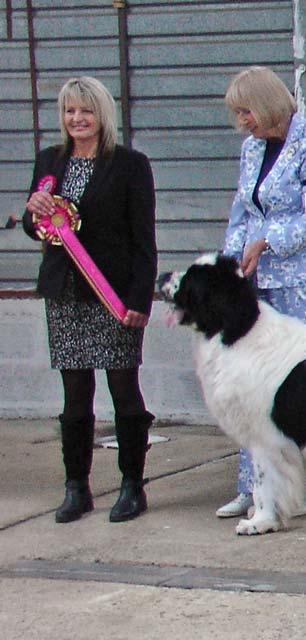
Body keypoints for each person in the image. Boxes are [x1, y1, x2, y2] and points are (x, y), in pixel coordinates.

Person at [214, 66, 306, 519]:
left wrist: (267, 241)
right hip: (256, 280)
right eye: (238, 114)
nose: (243, 121)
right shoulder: (251, 150)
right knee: (254, 383)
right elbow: (241, 210)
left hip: (305, 280)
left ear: (267, 103)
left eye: (246, 110)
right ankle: (255, 486)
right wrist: (230, 261)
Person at [22, 77, 157, 523]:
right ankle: (76, 487)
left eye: (86, 111)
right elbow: (35, 227)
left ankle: (132, 486)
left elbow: (144, 240)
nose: (76, 119)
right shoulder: (49, 161)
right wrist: (33, 211)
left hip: (113, 294)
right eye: (68, 111)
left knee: (124, 390)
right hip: (64, 293)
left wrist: (140, 298)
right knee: (75, 394)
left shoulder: (130, 165)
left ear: (103, 115)